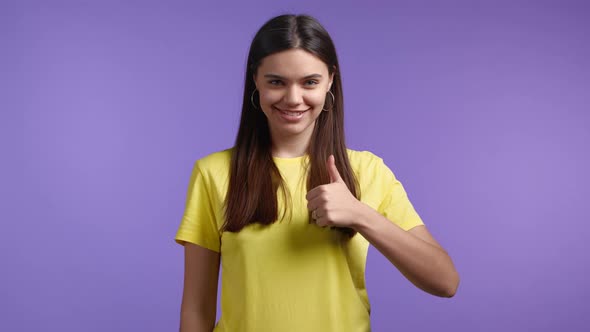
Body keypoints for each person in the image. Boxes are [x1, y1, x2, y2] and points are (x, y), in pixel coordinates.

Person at [175, 14, 459, 332]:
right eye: (276, 81)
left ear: (330, 81)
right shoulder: (213, 173)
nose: (293, 98)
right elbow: (196, 310)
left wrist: (360, 215)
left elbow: (445, 281)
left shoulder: (367, 171)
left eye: (309, 82)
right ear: (256, 79)